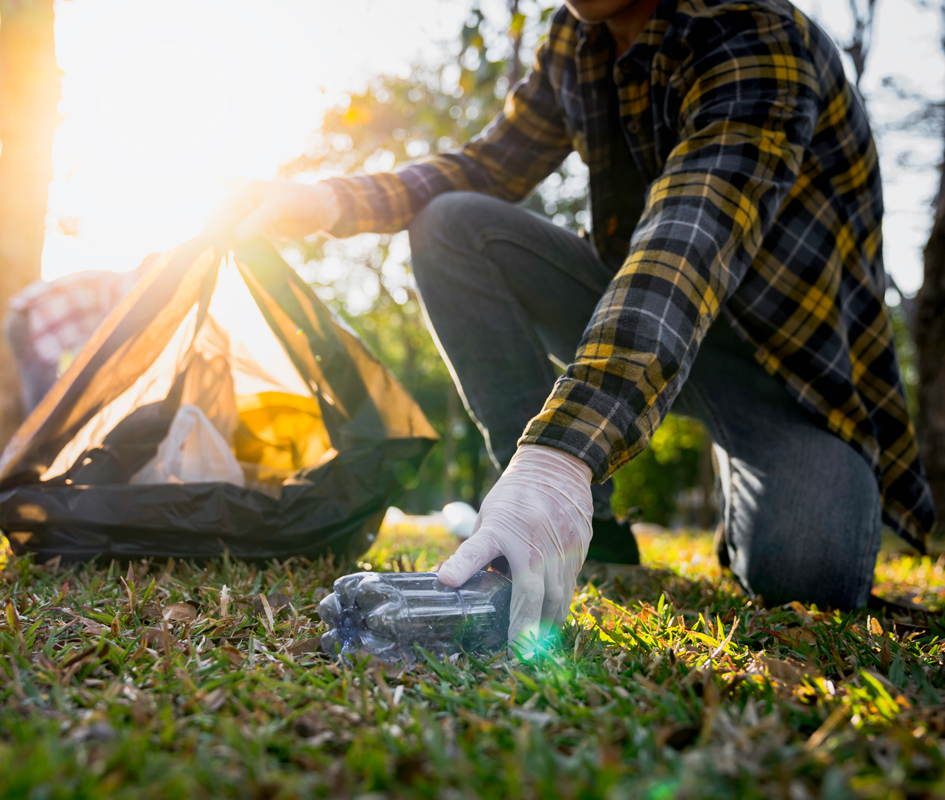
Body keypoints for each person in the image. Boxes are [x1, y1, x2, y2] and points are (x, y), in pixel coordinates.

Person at [211, 0, 937, 653]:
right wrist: (328, 202)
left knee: (808, 577)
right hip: (640, 317)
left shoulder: (757, 35)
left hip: (783, 376)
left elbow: (686, 244)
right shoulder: (574, 38)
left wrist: (561, 455)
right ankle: (597, 531)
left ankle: (673, 478)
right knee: (454, 223)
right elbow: (484, 166)